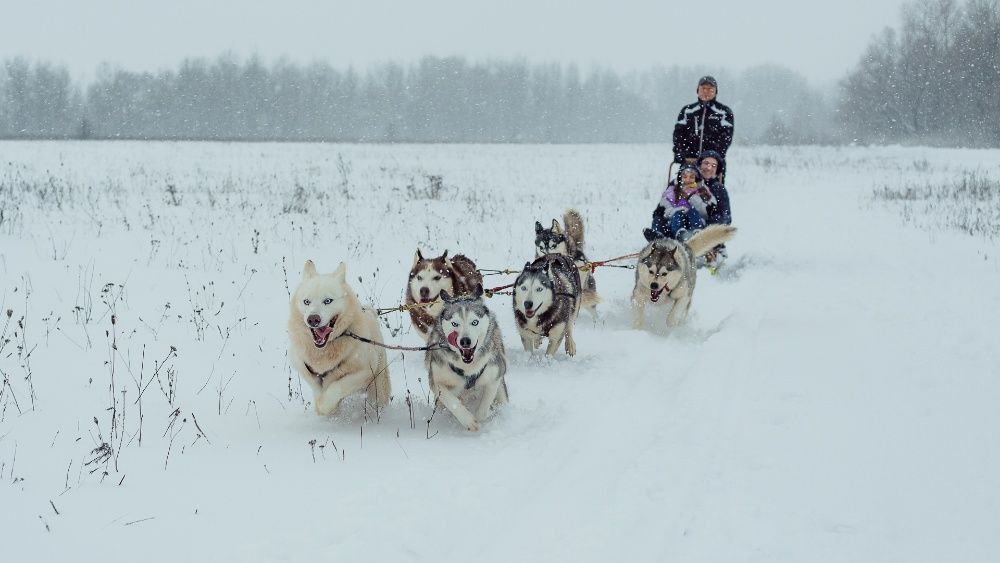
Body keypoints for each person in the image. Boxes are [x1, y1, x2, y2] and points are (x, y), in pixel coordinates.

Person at [672, 76, 735, 164]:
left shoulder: (724, 112)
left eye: (710, 89)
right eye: (703, 88)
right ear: (698, 91)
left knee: (712, 177)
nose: (706, 92)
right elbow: (678, 135)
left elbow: (726, 138)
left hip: (713, 161)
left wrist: (714, 156)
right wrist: (681, 153)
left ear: (716, 92)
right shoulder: (687, 110)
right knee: (687, 177)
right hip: (689, 159)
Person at [649, 164, 716, 241]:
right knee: (678, 214)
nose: (688, 180)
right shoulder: (672, 191)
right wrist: (681, 209)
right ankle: (680, 234)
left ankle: (697, 233)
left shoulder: (702, 191)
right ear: (680, 178)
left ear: (696, 179)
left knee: (693, 212)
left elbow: (706, 211)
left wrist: (691, 197)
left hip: (697, 219)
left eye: (691, 177)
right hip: (675, 220)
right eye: (685, 177)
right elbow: (666, 208)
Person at [696, 150, 731, 269]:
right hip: (691, 225)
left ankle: (713, 253)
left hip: (710, 229)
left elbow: (726, 215)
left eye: (713, 165)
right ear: (700, 165)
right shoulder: (689, 182)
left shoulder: (719, 189)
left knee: (716, 219)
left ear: (717, 170)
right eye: (706, 163)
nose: (709, 167)